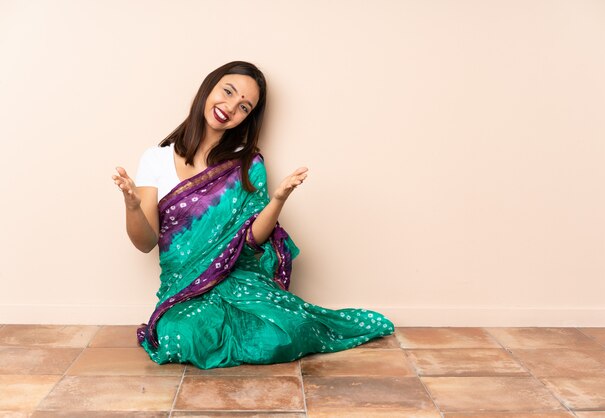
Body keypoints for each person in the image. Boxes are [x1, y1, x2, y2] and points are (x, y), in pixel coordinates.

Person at [111, 60, 395, 369]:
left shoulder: (247, 164)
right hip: (184, 291)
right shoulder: (156, 159)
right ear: (209, 88)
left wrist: (278, 199)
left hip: (240, 282)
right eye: (228, 92)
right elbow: (145, 242)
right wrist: (133, 205)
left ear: (247, 118)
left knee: (288, 331)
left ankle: (248, 331)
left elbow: (251, 241)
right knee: (182, 336)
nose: (230, 107)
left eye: (244, 106)